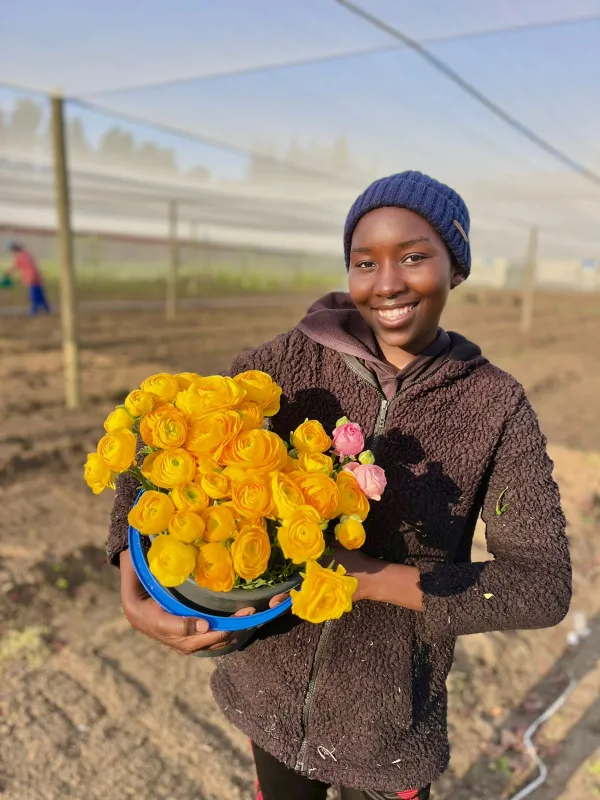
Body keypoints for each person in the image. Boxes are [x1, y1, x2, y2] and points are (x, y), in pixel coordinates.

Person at [107, 171, 571, 799]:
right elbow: (164, 441)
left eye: (414, 256)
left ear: (455, 267)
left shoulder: (493, 406)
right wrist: (130, 577)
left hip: (388, 729)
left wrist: (366, 576)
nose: (387, 283)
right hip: (267, 697)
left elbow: (540, 585)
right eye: (364, 262)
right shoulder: (292, 362)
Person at [5, 241, 50, 315]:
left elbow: (15, 266)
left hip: (31, 277)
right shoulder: (26, 253)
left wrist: (7, 273)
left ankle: (34, 310)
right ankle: (47, 309)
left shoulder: (20, 256)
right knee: (40, 294)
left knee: (34, 294)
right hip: (36, 276)